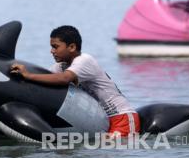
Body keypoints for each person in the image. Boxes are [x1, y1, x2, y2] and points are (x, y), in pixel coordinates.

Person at [10, 25, 139, 136]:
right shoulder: (60, 67)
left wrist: (27, 75)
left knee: (114, 150)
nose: (52, 51)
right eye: (51, 47)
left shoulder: (84, 60)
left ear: (71, 47)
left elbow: (64, 79)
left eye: (55, 47)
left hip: (121, 117)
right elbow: (46, 78)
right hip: (100, 120)